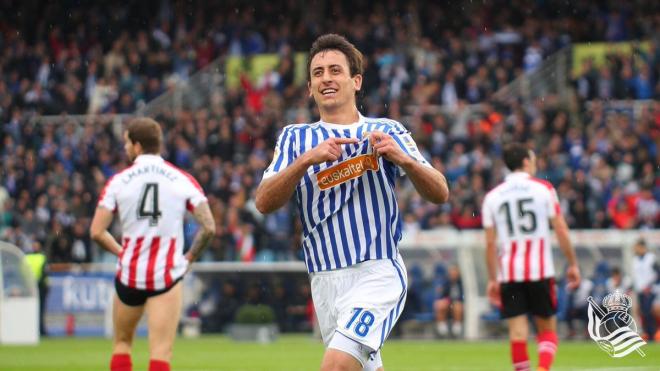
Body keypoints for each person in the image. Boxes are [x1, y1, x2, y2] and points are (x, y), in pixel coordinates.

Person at [255, 34, 448, 371]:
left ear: (356, 81)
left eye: (335, 70)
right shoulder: (295, 138)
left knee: (336, 366)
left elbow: (440, 192)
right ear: (309, 88)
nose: (326, 78)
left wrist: (404, 160)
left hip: (377, 272)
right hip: (324, 281)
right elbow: (263, 201)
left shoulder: (387, 130)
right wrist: (305, 161)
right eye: (317, 73)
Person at [90, 118, 215, 371]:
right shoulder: (181, 179)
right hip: (166, 276)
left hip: (130, 275)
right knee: (160, 354)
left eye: (127, 143)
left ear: (137, 146)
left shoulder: (118, 181)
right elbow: (209, 227)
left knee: (122, 344)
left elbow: (96, 231)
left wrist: (121, 252)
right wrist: (189, 258)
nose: (125, 148)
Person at [482, 143, 580, 371]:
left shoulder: (492, 197)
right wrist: (573, 263)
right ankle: (543, 369)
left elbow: (489, 243)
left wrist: (492, 279)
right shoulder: (544, 189)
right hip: (540, 270)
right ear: (526, 162)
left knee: (517, 333)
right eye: (533, 160)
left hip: (509, 273)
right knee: (547, 330)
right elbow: (561, 229)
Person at [631, 238, 657, 341]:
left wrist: (650, 285)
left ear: (642, 247)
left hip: (650, 290)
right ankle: (647, 334)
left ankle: (652, 334)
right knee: (643, 312)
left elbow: (656, 273)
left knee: (649, 312)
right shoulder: (635, 260)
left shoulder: (651, 258)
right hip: (640, 290)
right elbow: (635, 276)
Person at [433, 265, 464, 338]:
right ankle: (442, 329)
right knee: (440, 305)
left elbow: (463, 296)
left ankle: (457, 329)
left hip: (458, 303)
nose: (453, 274)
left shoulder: (462, 283)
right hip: (448, 304)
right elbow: (442, 295)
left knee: (457, 305)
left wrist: (455, 300)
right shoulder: (446, 282)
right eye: (451, 273)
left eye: (455, 272)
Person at [25, 241, 49, 336]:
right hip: (35, 286)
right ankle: (38, 330)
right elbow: (45, 273)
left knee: (39, 310)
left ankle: (39, 329)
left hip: (37, 287)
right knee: (38, 310)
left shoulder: (27, 257)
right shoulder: (42, 257)